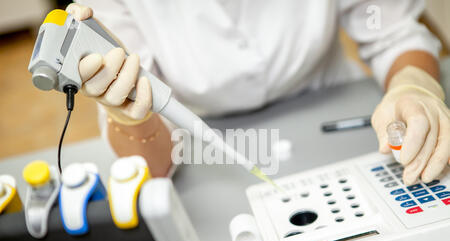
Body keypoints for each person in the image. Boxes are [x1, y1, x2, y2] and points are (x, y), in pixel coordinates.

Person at [65, 0, 449, 184]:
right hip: (200, 146)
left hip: (334, 113)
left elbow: (394, 32)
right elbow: (156, 164)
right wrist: (129, 114)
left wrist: (413, 83)